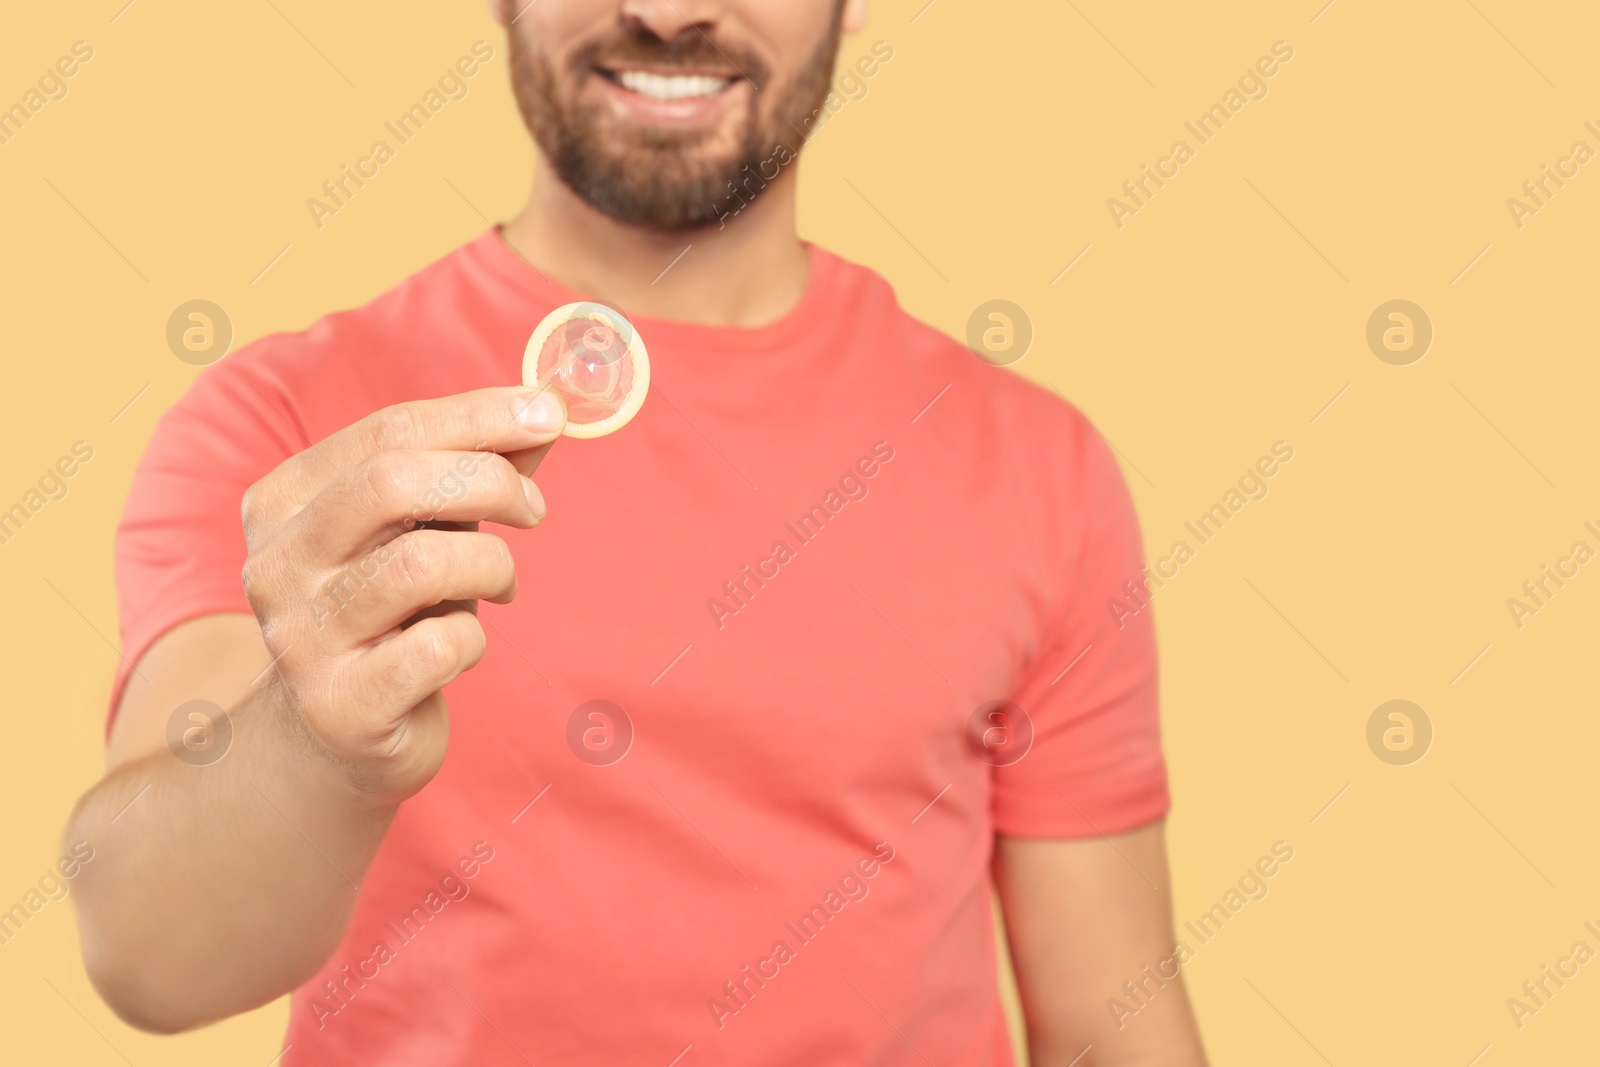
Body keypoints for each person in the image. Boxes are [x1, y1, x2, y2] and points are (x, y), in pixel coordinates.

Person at [65, 1, 1209, 1063]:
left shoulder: (1037, 466)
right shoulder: (287, 428)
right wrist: (315, 743)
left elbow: (1115, 1023)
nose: (666, 13)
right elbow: (150, 958)